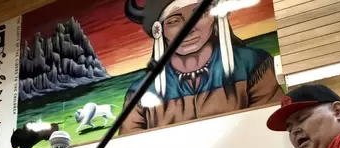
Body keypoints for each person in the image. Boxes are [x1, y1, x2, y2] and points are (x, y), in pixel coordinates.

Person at [121, 0, 284, 133]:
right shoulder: (140, 92)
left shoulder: (252, 65)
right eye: (174, 21)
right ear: (159, 30)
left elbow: (273, 128)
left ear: (215, 16)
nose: (189, 29)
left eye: (199, 14)